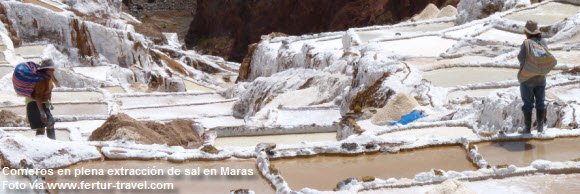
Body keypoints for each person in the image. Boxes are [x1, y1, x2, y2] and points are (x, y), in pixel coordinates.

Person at [517, 20, 557, 134]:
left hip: (527, 79)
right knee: (540, 103)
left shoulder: (527, 43)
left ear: (528, 32)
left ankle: (527, 129)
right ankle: (540, 129)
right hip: (541, 78)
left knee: (528, 104)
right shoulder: (543, 41)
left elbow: (521, 58)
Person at [27, 59, 58, 139]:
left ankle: (52, 143)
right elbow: (38, 97)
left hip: (43, 104)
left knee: (49, 123)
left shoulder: (49, 77)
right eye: (51, 69)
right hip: (35, 104)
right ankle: (43, 144)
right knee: (42, 125)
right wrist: (42, 112)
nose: (53, 70)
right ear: (46, 70)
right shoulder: (41, 80)